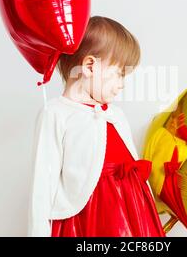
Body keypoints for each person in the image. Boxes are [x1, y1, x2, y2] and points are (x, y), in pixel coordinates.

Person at [28, 16, 166, 237]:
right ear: (90, 66)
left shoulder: (116, 115)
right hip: (86, 221)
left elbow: (136, 173)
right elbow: (42, 185)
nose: (121, 84)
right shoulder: (56, 113)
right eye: (120, 74)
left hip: (132, 217)